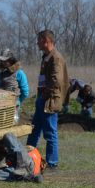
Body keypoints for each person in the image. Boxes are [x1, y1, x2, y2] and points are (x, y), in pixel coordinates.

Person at [26, 29, 68, 170]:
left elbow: (57, 80)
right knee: (34, 130)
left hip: (50, 101)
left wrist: (46, 93)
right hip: (42, 100)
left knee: (50, 133)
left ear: (46, 41)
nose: (37, 43)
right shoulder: (46, 57)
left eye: (39, 40)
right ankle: (27, 158)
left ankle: (52, 164)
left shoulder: (56, 58)